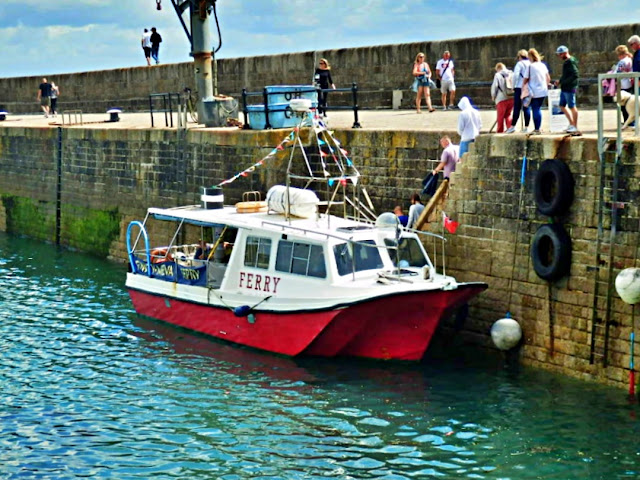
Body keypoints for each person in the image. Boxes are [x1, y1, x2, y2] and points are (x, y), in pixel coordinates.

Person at [522, 48, 550, 135]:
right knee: (538, 108)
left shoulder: (530, 66)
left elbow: (525, 79)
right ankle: (538, 127)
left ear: (530, 57)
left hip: (534, 92)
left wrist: (523, 88)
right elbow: (548, 78)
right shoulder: (543, 65)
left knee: (535, 109)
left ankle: (537, 129)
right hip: (543, 91)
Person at [555, 45, 579, 133]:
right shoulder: (567, 62)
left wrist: (564, 82)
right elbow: (566, 75)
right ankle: (571, 124)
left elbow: (575, 74)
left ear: (565, 53)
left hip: (570, 87)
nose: (559, 56)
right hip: (565, 88)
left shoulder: (570, 62)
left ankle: (575, 126)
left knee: (572, 106)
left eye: (560, 54)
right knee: (562, 105)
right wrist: (560, 81)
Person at [507, 49, 531, 133]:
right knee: (526, 107)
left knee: (517, 107)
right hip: (528, 88)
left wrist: (513, 86)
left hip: (519, 87)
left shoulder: (519, 64)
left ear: (520, 56)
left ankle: (513, 126)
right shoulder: (530, 63)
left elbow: (515, 76)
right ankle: (527, 127)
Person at [491, 63, 514, 133]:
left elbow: (495, 86)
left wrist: (493, 96)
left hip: (501, 98)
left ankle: (500, 131)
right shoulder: (512, 73)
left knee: (500, 116)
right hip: (511, 97)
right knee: (508, 114)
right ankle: (510, 127)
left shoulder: (497, 75)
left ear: (498, 68)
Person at [615, 45, 633, 122]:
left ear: (620, 55)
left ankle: (627, 121)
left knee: (623, 105)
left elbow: (617, 72)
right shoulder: (630, 60)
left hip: (623, 84)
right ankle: (631, 122)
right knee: (631, 104)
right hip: (629, 83)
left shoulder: (621, 62)